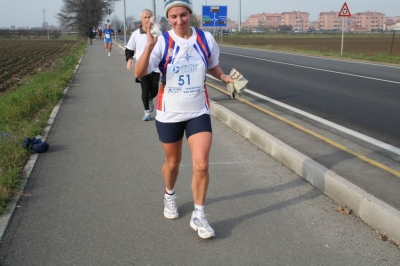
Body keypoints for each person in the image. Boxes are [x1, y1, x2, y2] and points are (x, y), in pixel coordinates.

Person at [134, 0, 233, 239]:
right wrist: (149, 46)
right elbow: (139, 73)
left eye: (184, 15)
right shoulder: (162, 42)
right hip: (170, 113)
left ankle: (199, 214)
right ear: (169, 19)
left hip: (198, 110)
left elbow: (212, 66)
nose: (179, 21)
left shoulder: (205, 39)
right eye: (174, 17)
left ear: (190, 15)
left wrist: (223, 77)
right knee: (173, 163)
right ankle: (170, 194)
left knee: (201, 164)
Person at [125, 9, 162, 121]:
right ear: (141, 19)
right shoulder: (136, 34)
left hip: (155, 66)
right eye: (145, 17)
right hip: (142, 66)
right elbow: (129, 48)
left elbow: (164, 48)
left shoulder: (157, 32)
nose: (147, 19)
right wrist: (129, 59)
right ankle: (147, 111)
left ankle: (149, 99)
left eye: (149, 17)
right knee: (145, 89)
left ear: (152, 18)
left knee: (154, 90)